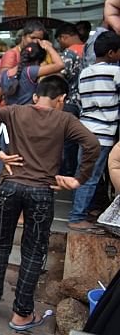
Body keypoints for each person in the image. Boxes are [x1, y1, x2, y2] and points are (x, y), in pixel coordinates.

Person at [0, 75, 99, 331]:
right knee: (33, 252)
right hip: (42, 192)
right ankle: (22, 315)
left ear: (35, 96)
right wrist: (78, 179)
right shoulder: (65, 119)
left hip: (10, 187)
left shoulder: (16, 111)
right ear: (61, 100)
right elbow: (92, 145)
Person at [69, 31, 120, 231]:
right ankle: (76, 217)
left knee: (82, 173)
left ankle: (85, 210)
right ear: (111, 53)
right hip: (103, 132)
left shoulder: (85, 72)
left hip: (85, 130)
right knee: (89, 177)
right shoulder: (115, 72)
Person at [55, 23, 85, 177]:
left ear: (64, 37)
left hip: (69, 102)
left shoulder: (68, 54)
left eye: (59, 41)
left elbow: (58, 78)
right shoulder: (89, 50)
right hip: (84, 104)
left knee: (66, 141)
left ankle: (66, 174)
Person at [0, 40, 63, 106]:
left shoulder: (4, 74)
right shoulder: (30, 71)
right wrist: (48, 47)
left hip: (11, 113)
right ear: (40, 60)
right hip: (28, 113)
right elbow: (60, 65)